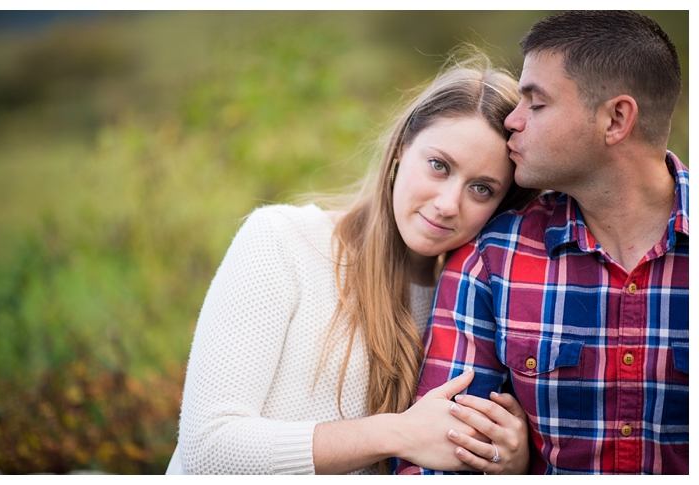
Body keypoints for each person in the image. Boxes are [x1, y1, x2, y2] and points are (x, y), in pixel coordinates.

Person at [164, 51, 541, 475]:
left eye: (481, 189)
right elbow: (207, 449)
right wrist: (396, 433)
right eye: (439, 166)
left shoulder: (467, 302)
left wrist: (511, 463)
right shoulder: (284, 240)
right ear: (402, 148)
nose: (448, 204)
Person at [395, 11, 688, 475]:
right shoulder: (493, 257)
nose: (511, 120)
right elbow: (437, 459)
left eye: (536, 103)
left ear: (616, 119)